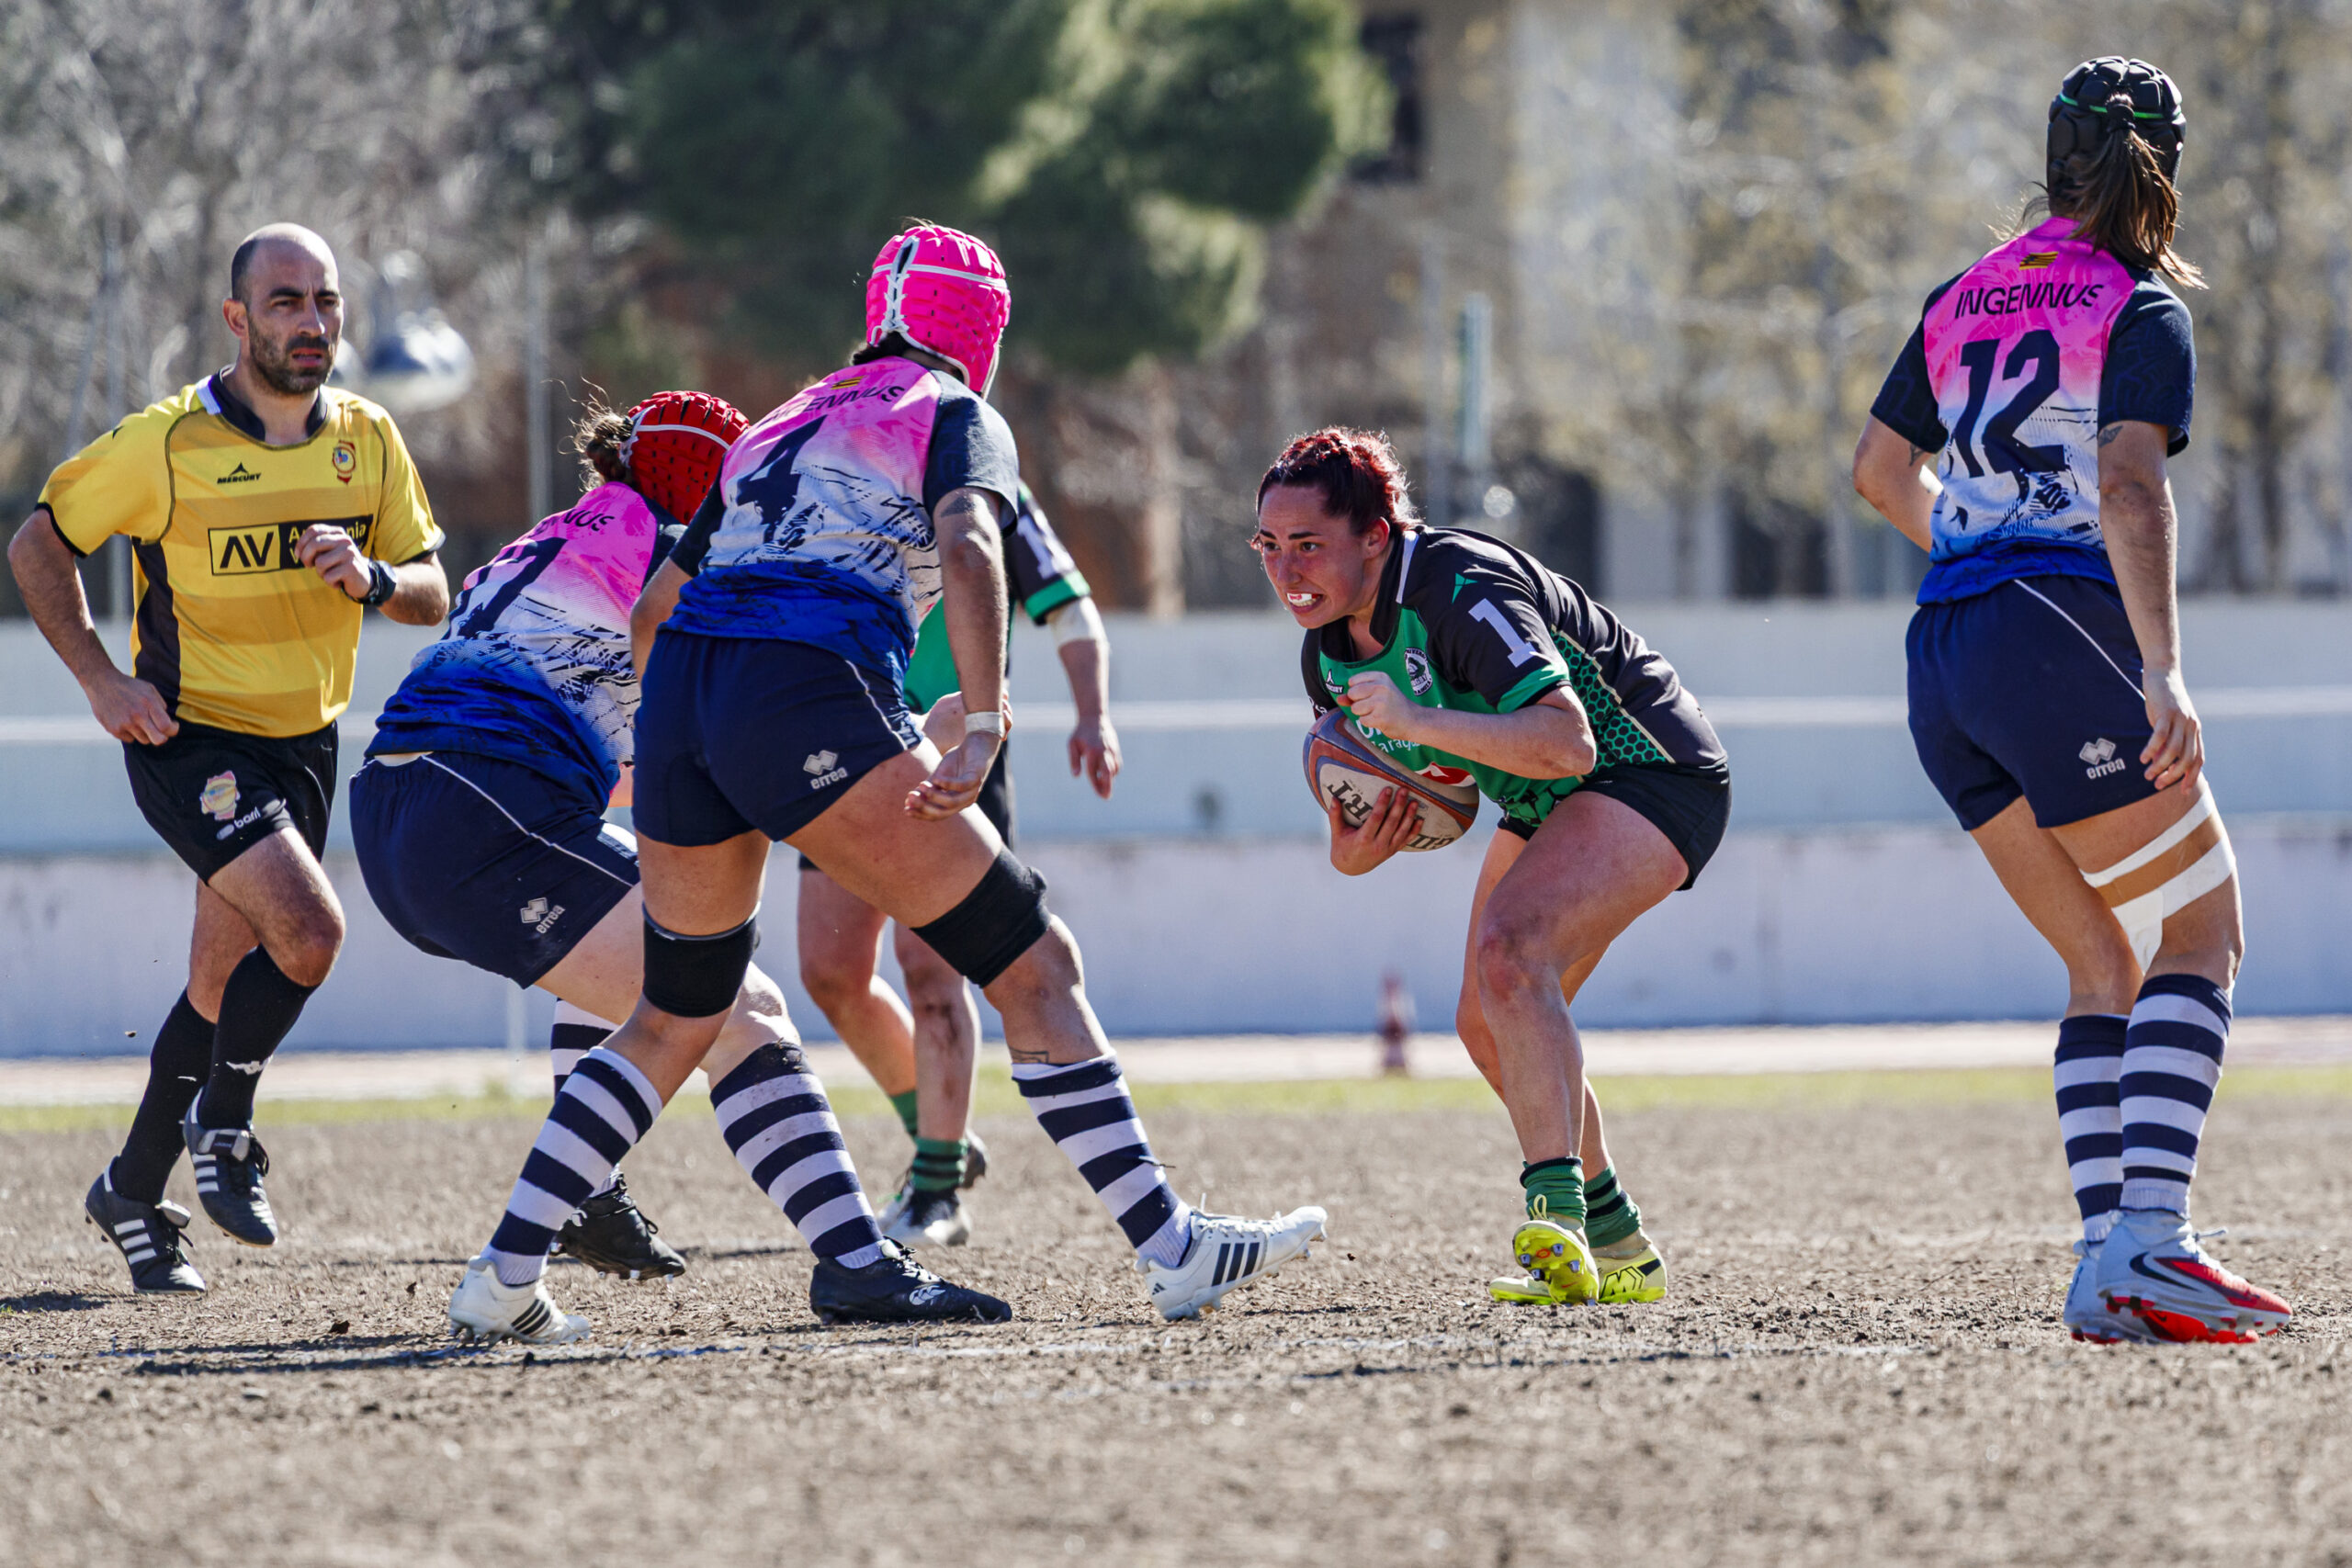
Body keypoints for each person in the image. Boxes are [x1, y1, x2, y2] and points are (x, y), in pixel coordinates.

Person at [451, 222, 1324, 1342]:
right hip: (803, 691)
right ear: (986, 332)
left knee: (677, 1013)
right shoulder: (958, 417)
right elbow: (969, 547)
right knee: (1035, 962)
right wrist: (982, 719)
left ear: (879, 314)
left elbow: (654, 610)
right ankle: (1172, 1246)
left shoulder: (771, 426)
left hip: (684, 715)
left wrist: (685, 747)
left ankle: (504, 1275)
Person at [1853, 57, 2289, 1345]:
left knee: (2097, 957)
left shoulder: (1959, 295)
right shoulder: (2138, 304)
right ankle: (2155, 1238)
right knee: (2202, 930)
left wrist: (1975, 554)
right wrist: (2160, 668)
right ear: (2162, 169)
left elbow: (1881, 472)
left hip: (1944, 650)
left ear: (2053, 160)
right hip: (2058, 629)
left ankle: (2106, 1260)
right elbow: (2132, 489)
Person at [7, 224, 450, 1293]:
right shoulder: (166, 443)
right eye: (287, 301)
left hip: (306, 742)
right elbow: (37, 546)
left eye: (326, 300)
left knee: (215, 984)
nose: (312, 321)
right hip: (191, 737)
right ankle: (228, 1126)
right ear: (237, 318)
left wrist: (376, 580)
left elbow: (437, 590)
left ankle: (129, 1188)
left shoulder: (369, 438)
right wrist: (105, 684)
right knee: (308, 933)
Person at [1253, 428, 1727, 1307]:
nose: (1287, 572)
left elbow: (1565, 739)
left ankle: (1558, 1223)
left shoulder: (1456, 585)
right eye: (1270, 548)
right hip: (1549, 798)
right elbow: (1353, 846)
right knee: (1485, 1017)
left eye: (1309, 545)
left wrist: (1416, 721)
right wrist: (1358, 842)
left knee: (1514, 953)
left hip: (1653, 766)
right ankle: (1623, 1246)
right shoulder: (1327, 650)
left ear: (1376, 537)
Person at [353, 392, 754, 1284]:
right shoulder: (664, 548)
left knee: (628, 937)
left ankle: (592, 1197)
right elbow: (720, 697)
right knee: (725, 994)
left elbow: (602, 747)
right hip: (480, 795)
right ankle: (849, 1252)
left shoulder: (545, 536)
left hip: (391, 792)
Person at [797, 478, 1120, 1248]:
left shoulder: (990, 487)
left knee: (930, 965)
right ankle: (942, 1133)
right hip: (852, 742)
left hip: (959, 749)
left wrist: (1093, 712)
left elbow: (1071, 609)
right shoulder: (841, 480)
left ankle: (936, 1182)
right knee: (830, 970)